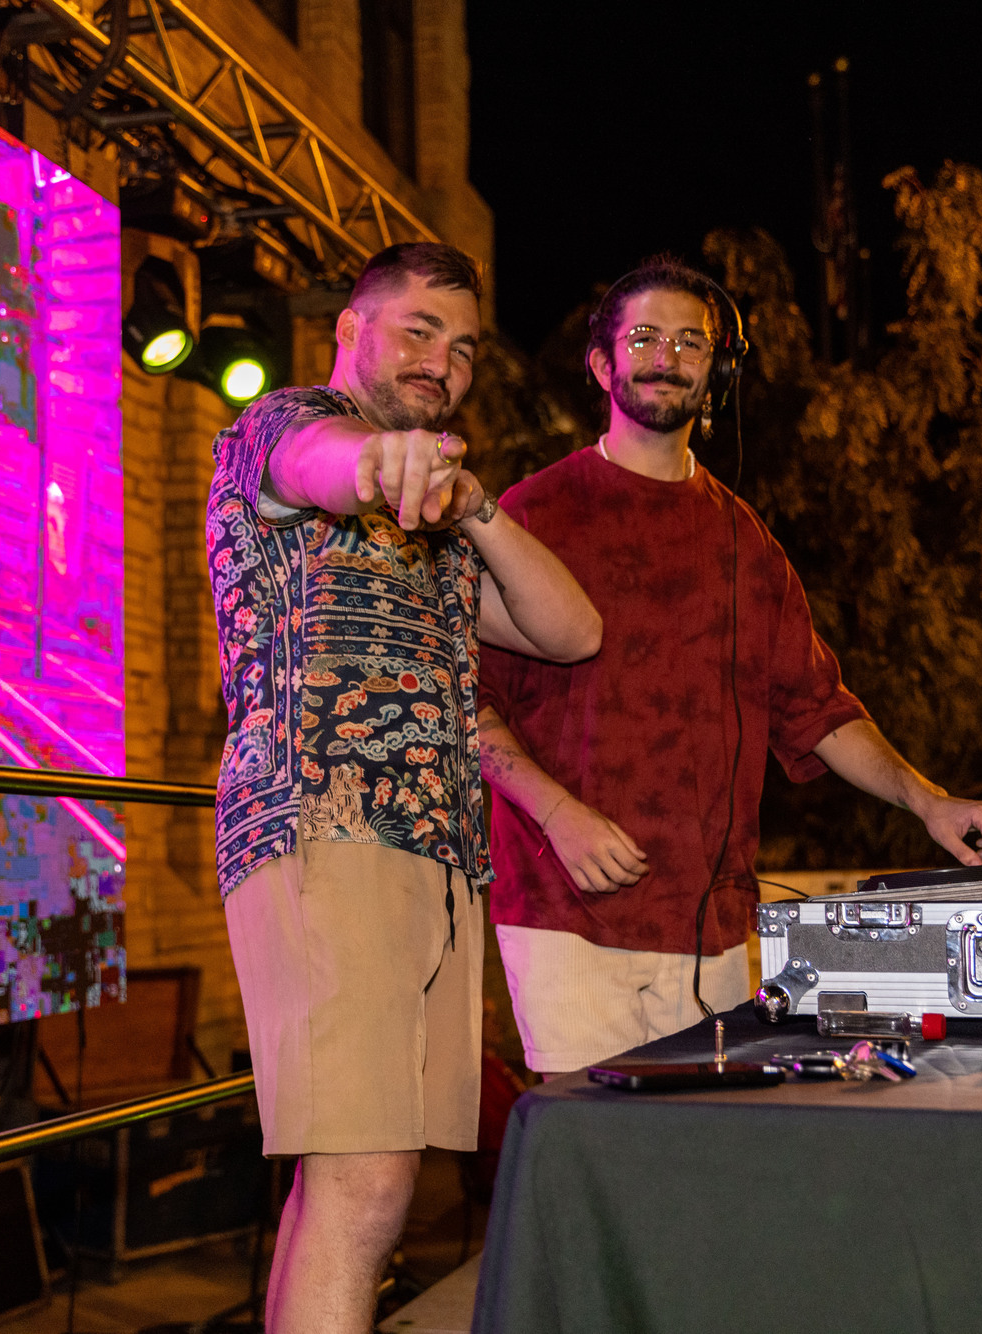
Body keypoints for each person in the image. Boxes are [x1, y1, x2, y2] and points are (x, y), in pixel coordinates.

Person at [476, 256, 982, 1078]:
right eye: (644, 337)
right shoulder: (532, 512)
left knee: (703, 1147)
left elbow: (818, 708)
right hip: (565, 912)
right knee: (593, 1142)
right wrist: (558, 815)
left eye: (690, 342)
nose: (667, 357)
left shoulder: (748, 543)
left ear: (717, 372)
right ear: (603, 364)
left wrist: (927, 800)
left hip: (711, 924)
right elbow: (466, 699)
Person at [206, 242, 600, 1333]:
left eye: (463, 347)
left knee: (354, 1181)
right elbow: (321, 463)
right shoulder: (280, 425)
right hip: (326, 824)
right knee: (368, 1180)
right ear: (352, 326)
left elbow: (573, 629)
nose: (443, 361)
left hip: (435, 853)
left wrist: (471, 504)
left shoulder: (438, 525)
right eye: (419, 330)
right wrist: (384, 462)